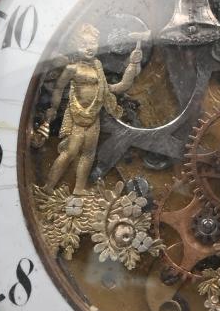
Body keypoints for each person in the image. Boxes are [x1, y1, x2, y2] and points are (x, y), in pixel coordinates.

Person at [35, 24, 144, 193]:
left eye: (92, 43)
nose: (89, 47)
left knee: (88, 154)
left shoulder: (98, 67)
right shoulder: (72, 68)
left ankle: (78, 191)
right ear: (75, 46)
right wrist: (53, 109)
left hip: (94, 118)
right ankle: (48, 187)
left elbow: (119, 87)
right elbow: (58, 88)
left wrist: (133, 65)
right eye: (83, 44)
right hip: (76, 117)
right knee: (70, 152)